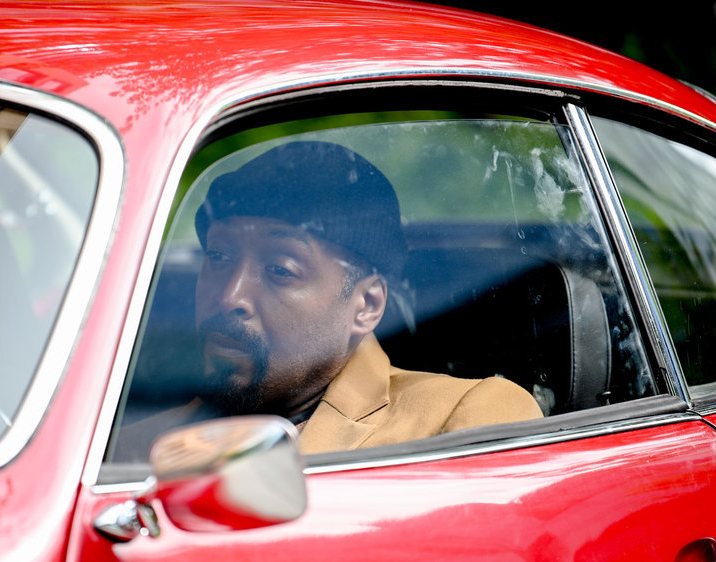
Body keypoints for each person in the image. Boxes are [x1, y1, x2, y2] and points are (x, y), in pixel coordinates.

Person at [117, 140, 542, 459]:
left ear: (366, 305)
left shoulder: (462, 418)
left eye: (280, 269)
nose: (230, 296)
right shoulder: (132, 448)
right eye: (218, 257)